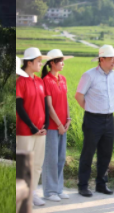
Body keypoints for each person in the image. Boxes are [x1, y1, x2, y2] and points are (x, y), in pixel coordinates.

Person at [75, 45, 114, 197]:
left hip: (109, 119)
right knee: (88, 153)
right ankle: (82, 185)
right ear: (101, 59)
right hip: (92, 119)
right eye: (111, 58)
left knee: (106, 153)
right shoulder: (89, 75)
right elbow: (79, 96)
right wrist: (91, 108)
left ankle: (101, 184)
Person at [16, 48, 49, 206]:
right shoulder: (20, 81)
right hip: (25, 131)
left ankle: (32, 192)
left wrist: (45, 124)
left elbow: (43, 105)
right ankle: (22, 195)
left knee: (37, 164)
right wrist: (32, 126)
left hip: (40, 131)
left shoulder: (40, 81)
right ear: (29, 62)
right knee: (24, 165)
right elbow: (19, 107)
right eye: (38, 61)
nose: (41, 64)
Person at [40, 49, 73, 202]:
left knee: (60, 158)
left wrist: (68, 119)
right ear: (52, 63)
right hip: (53, 127)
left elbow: (65, 101)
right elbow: (49, 105)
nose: (63, 63)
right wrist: (59, 124)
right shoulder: (46, 80)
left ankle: (58, 189)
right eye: (60, 61)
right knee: (51, 159)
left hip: (62, 125)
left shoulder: (64, 79)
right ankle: (49, 191)